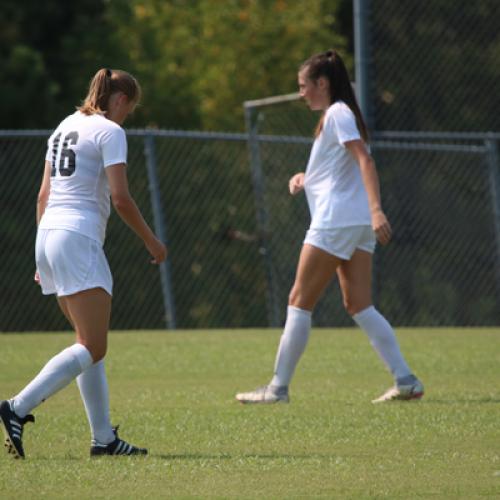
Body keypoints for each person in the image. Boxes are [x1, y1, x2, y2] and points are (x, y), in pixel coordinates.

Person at [236, 50, 424, 405]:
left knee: (298, 300)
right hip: (354, 223)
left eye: (304, 86)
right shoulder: (338, 115)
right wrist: (305, 178)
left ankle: (277, 388)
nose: (301, 93)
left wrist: (377, 210)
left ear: (322, 83)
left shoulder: (337, 113)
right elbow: (339, 170)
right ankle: (406, 379)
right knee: (359, 304)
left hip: (337, 221)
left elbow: (364, 160)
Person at [0, 68, 167, 459]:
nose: (128, 115)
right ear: (120, 99)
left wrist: (43, 252)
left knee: (88, 344)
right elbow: (121, 199)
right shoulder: (110, 131)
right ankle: (17, 407)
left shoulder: (63, 127)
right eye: (130, 107)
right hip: (77, 237)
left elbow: (43, 196)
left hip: (50, 236)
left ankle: (103, 439)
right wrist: (152, 241)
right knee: (92, 345)